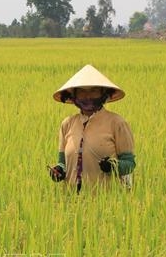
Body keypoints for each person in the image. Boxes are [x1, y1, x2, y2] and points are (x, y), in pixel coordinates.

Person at [49, 64, 135, 192]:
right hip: (71, 201)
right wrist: (58, 171)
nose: (88, 96)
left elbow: (129, 163)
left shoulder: (117, 123)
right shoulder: (67, 124)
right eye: (82, 91)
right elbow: (63, 163)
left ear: (103, 94)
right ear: (74, 96)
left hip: (107, 201)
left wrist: (113, 166)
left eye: (93, 91)